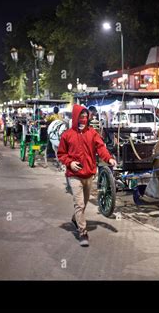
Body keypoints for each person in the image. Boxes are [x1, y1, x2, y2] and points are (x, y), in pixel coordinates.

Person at [57, 104, 116, 247]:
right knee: (80, 203)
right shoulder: (67, 135)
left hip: (89, 174)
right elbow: (61, 154)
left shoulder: (92, 133)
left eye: (85, 117)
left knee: (83, 203)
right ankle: (82, 232)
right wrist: (69, 163)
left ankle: (75, 218)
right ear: (76, 117)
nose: (83, 119)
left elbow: (101, 147)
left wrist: (108, 159)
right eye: (81, 116)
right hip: (74, 175)